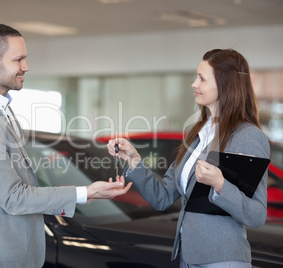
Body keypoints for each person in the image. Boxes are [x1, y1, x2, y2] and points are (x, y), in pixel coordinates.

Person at [0, 23, 132, 268]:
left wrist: (84, 193)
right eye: (18, 59)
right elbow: (13, 197)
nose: (26, 67)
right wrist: (86, 193)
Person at [107, 49, 270, 267]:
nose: (194, 84)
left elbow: (256, 215)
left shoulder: (247, 137)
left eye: (202, 78)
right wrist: (134, 159)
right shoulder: (197, 134)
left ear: (225, 84)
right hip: (188, 257)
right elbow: (162, 197)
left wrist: (219, 184)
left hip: (222, 259)